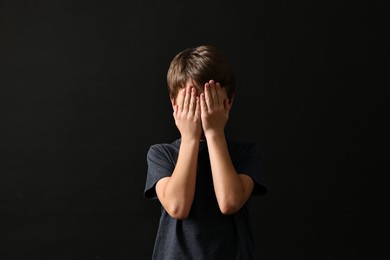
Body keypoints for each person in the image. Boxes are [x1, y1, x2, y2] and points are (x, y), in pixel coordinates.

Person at [144, 45, 267, 260]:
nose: (201, 111)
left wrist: (213, 132)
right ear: (175, 104)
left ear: (228, 103)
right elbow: (177, 207)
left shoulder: (246, 154)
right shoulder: (162, 154)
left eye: (211, 101)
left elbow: (229, 202)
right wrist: (190, 138)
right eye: (192, 102)